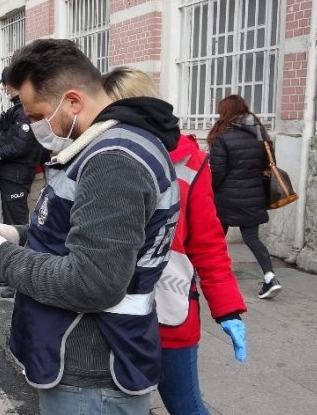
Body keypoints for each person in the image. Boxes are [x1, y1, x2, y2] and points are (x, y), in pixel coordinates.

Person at [0, 39, 180, 414]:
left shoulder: (114, 160)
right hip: (83, 362)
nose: (32, 124)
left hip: (92, 370)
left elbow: (92, 282)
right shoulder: (105, 147)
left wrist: (4, 257)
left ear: (73, 101)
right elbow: (78, 232)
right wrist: (20, 235)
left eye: (36, 113)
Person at [103, 66, 248, 415]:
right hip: (108, 310)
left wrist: (227, 307)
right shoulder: (100, 155)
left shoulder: (190, 162)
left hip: (169, 307)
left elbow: (208, 243)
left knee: (185, 406)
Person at [207, 94, 281, 299]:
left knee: (214, 238)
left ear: (226, 112)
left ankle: (209, 274)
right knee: (252, 238)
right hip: (253, 195)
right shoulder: (261, 135)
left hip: (225, 198)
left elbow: (218, 172)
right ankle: (270, 277)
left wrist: (209, 191)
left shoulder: (223, 137)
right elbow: (268, 164)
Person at [0, 67, 41, 299]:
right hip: (9, 175)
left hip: (17, 175)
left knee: (17, 225)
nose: (4, 88)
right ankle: (9, 273)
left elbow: (22, 145)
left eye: (6, 84)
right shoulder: (16, 111)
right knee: (8, 223)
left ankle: (18, 280)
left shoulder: (24, 112)